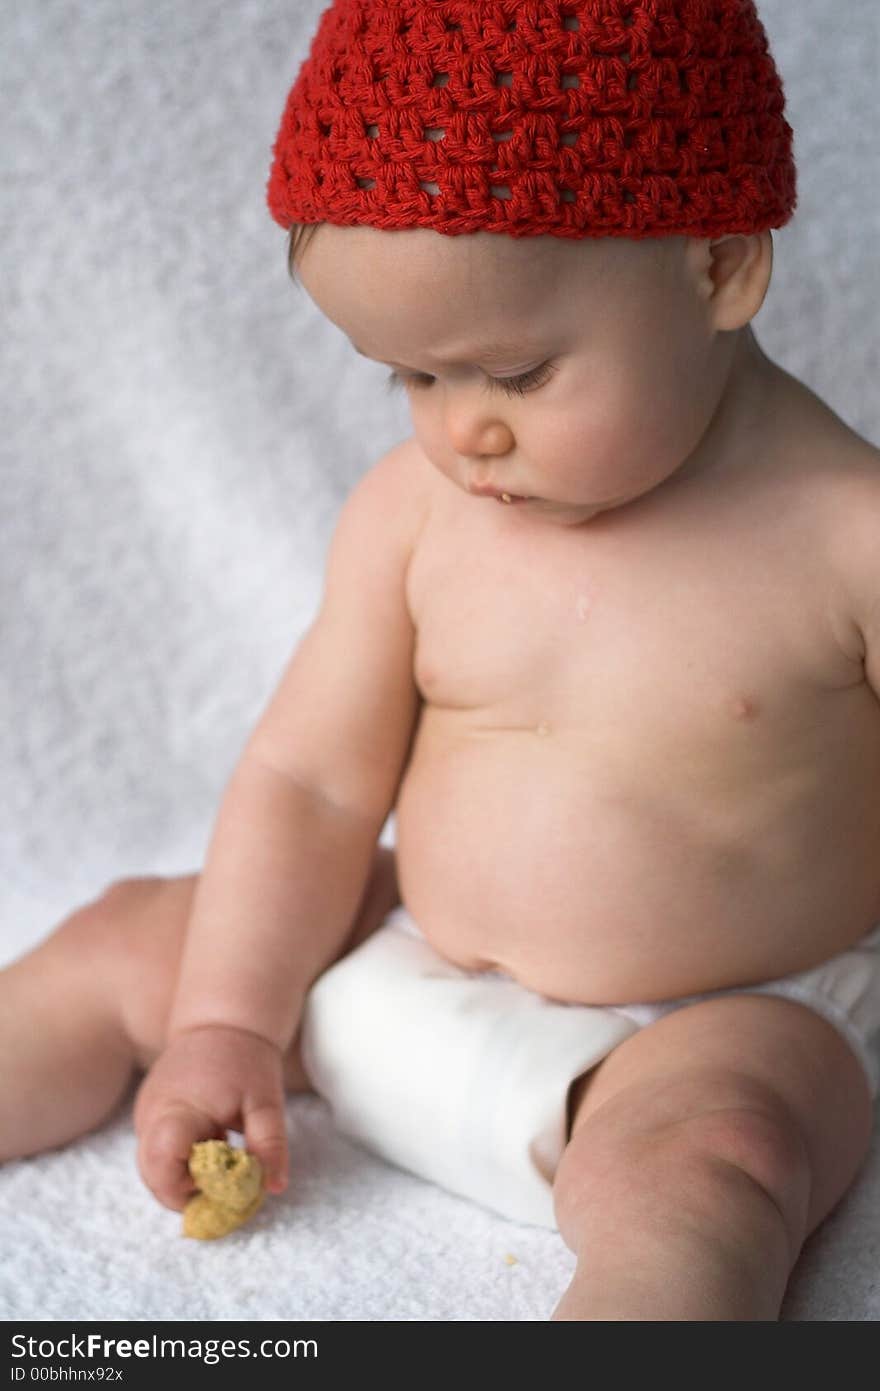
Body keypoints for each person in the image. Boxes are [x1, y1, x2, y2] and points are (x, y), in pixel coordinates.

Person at [2, 0, 879, 1320]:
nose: (459, 432)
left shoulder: (845, 540)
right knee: (131, 934)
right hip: (405, 956)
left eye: (513, 374)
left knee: (719, 1172)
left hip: (710, 1028)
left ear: (717, 266)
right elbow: (309, 784)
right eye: (405, 379)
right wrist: (229, 1018)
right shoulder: (416, 519)